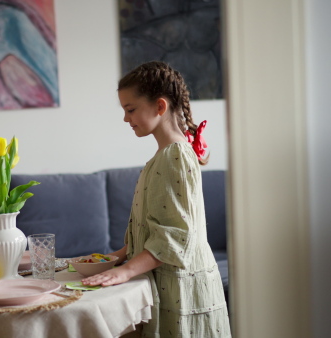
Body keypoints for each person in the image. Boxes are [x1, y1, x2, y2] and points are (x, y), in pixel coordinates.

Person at [82, 61, 231, 337]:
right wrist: (113, 258)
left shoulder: (174, 156)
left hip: (181, 287)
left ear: (160, 107)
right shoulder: (165, 156)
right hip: (168, 282)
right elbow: (153, 227)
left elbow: (174, 235)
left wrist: (124, 272)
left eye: (130, 109)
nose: (126, 119)